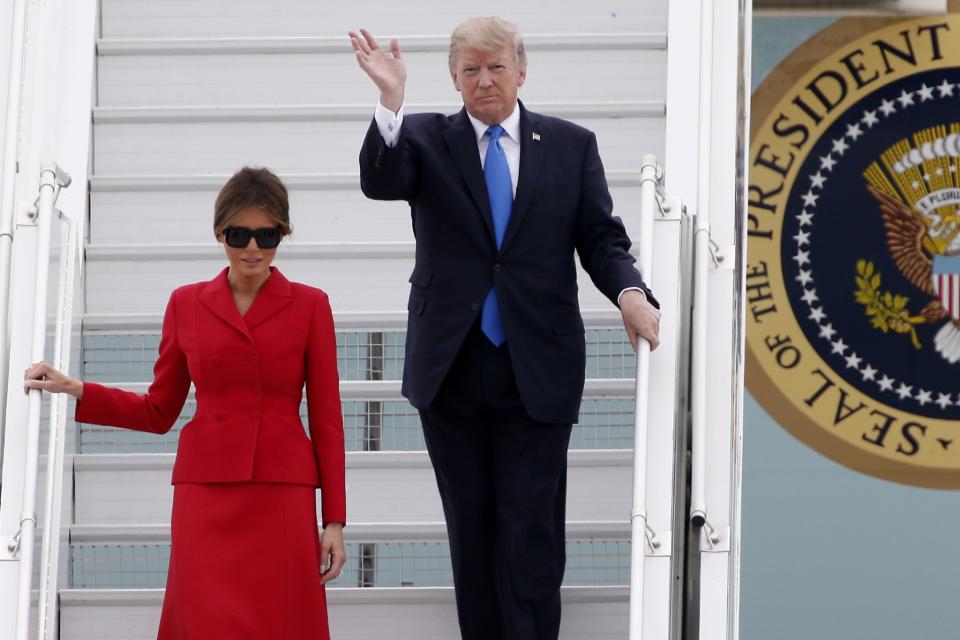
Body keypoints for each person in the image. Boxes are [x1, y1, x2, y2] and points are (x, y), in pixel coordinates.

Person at [349, 16, 661, 640]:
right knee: (473, 534)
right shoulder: (423, 139)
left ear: (522, 69)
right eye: (470, 70)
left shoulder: (571, 146)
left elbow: (600, 237)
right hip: (451, 368)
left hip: (535, 370)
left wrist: (629, 292)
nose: (485, 80)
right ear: (454, 79)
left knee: (531, 535)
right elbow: (380, 182)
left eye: (496, 67)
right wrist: (389, 101)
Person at [23, 167, 347, 639]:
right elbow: (159, 411)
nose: (253, 248)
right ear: (219, 234)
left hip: (282, 492)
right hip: (206, 492)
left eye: (267, 234)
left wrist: (333, 520)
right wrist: (77, 389)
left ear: (283, 233)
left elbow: (328, 421)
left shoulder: (311, 305)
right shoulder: (186, 304)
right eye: (239, 235)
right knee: (204, 620)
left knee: (283, 621)